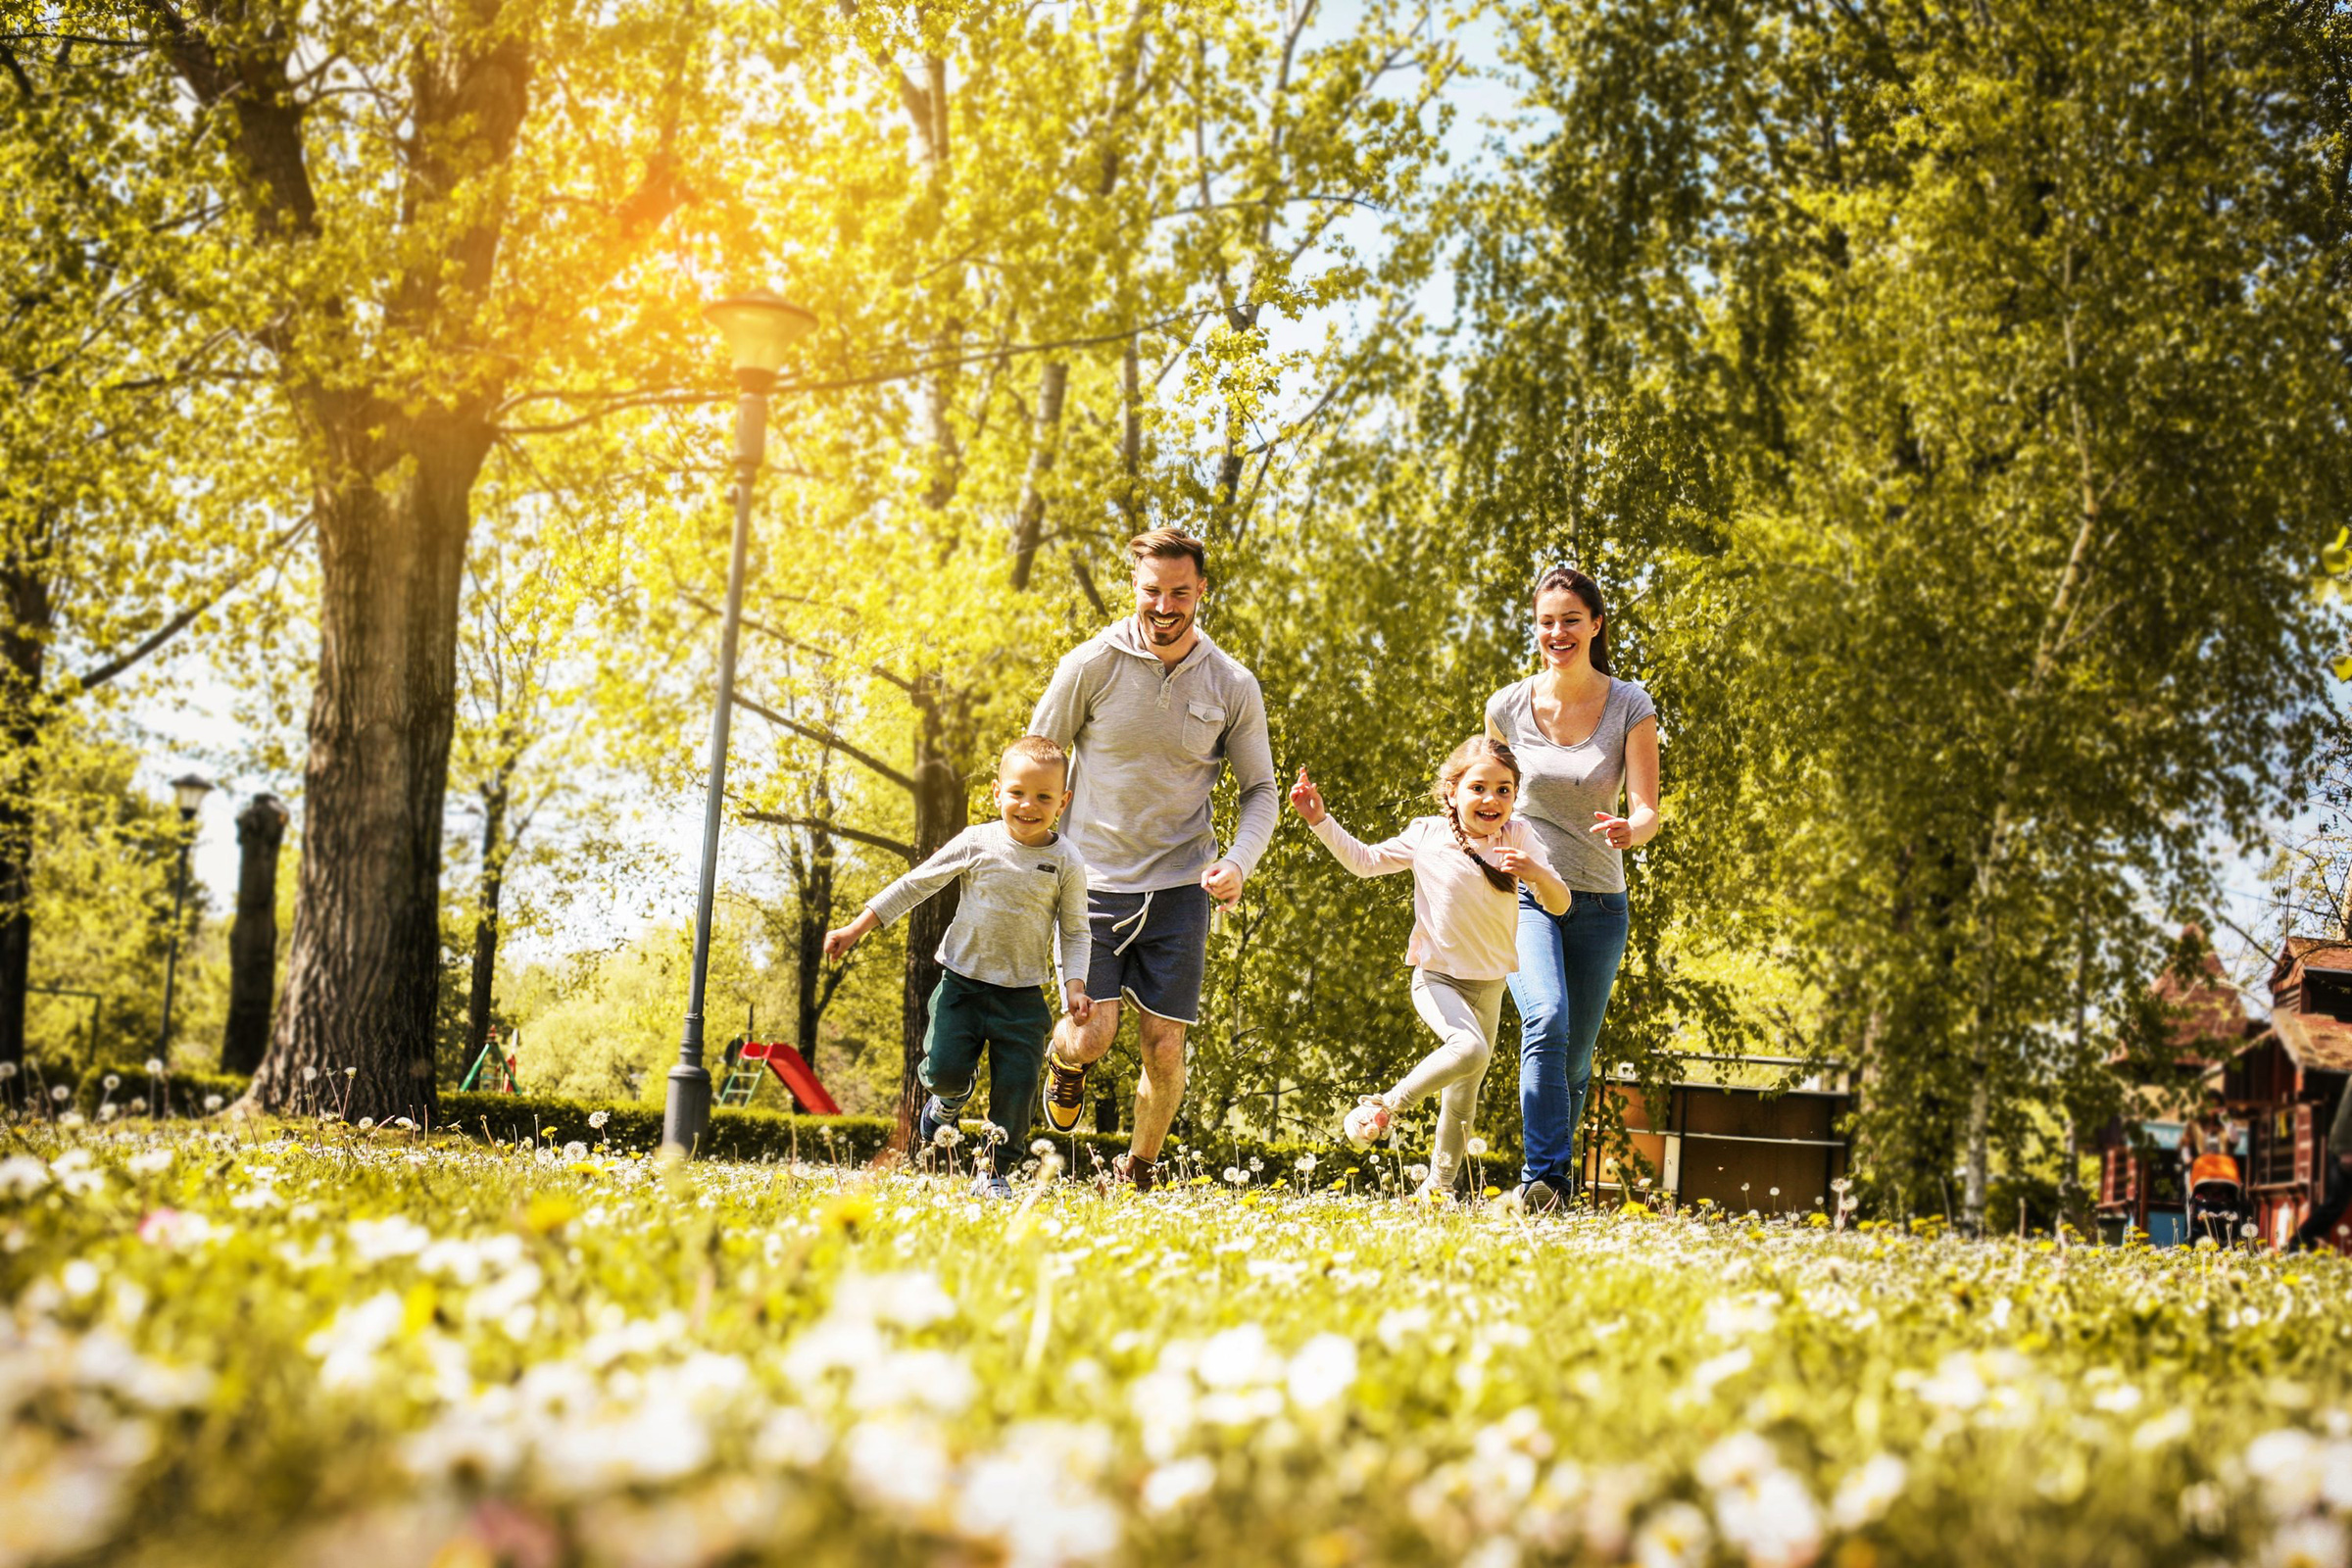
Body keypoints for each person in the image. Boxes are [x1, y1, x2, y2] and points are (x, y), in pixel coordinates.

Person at [1027, 528, 1279, 1190]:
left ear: (1201, 592)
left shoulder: (1232, 684)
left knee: (1165, 1046)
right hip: (1093, 883)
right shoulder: (1090, 664)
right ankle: (1067, 1059)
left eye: (1179, 592)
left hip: (1179, 889)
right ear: (1134, 588)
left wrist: (1239, 861)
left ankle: (1137, 1168)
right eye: (1151, 592)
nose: (1165, 606)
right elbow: (1037, 759)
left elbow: (1261, 793)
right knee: (1093, 1036)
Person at [1288, 738, 1571, 1200]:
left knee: (1461, 1101)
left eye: (1504, 790)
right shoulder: (1427, 834)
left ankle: (1436, 1192)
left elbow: (1561, 904)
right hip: (1436, 978)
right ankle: (1385, 1106)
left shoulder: (1518, 837)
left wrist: (1538, 874)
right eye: (1478, 787)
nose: (1491, 800)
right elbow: (1364, 862)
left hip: (1489, 986)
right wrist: (1320, 820)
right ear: (1452, 791)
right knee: (1470, 1049)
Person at [822, 735, 1092, 1199]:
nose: (1028, 805)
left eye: (1044, 797)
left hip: (1022, 995)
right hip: (961, 985)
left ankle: (994, 1171)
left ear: (1063, 802)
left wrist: (1076, 984)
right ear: (996, 792)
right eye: (1017, 793)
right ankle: (948, 1099)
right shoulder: (977, 841)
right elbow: (914, 885)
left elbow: (1075, 930)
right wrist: (856, 928)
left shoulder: (1065, 860)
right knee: (944, 1069)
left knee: (1019, 1088)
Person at [1485, 565, 1661, 1211]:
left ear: (1596, 625)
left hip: (1598, 902)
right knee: (1546, 1019)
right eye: (1546, 621)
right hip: (1525, 892)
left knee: (1576, 1058)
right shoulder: (1506, 706)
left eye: (1570, 620)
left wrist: (1629, 830)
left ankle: (1550, 1186)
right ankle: (1547, 1180)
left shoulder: (1629, 704)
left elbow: (1648, 811)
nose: (1556, 632)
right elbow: (1482, 794)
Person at [2290, 1086, 2352, 1251]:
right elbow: (2346, 1117)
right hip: (2345, 1151)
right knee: (2335, 1204)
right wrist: (2345, 1149)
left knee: (2336, 1204)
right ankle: (2298, 1243)